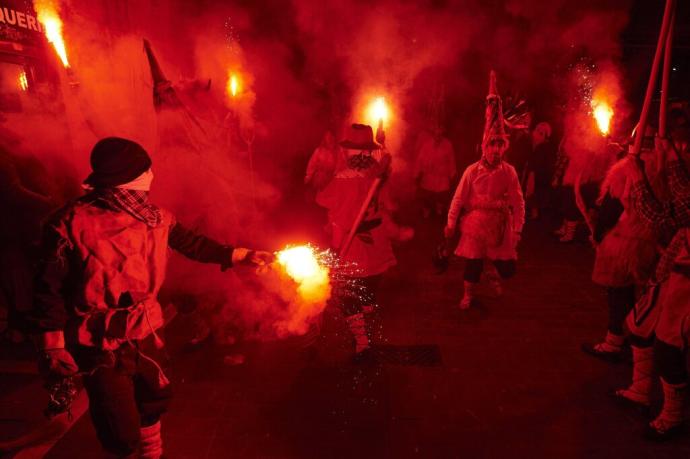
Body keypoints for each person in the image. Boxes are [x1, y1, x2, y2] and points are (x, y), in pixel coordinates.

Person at [26, 137, 273, 458]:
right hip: (98, 342)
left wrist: (243, 255)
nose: (152, 176)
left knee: (152, 401)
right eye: (146, 170)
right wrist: (53, 345)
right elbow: (48, 288)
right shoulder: (68, 224)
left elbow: (195, 244)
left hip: (145, 333)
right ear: (129, 176)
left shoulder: (156, 218)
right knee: (119, 425)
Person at [615, 117, 690, 440]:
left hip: (686, 277)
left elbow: (668, 216)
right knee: (640, 325)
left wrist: (644, 175)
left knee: (669, 347)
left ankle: (673, 415)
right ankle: (639, 389)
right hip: (675, 266)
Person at [317, 124, 411, 359]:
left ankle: (362, 343)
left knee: (349, 295)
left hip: (356, 244)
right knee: (366, 289)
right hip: (375, 243)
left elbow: (335, 216)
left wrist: (336, 249)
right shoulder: (378, 175)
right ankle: (364, 326)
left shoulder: (346, 180)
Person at [445, 71, 525, 309]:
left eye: (500, 145)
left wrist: (518, 228)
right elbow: (458, 198)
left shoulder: (508, 171)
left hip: (500, 223)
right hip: (476, 222)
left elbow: (519, 202)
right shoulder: (472, 170)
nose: (496, 150)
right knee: (473, 262)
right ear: (484, 147)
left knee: (508, 269)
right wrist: (450, 224)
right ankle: (468, 294)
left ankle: (493, 270)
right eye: (492, 145)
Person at [413, 125, 457, 218]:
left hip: (442, 177)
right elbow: (420, 160)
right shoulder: (427, 144)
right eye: (436, 133)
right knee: (427, 196)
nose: (438, 136)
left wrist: (452, 174)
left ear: (442, 133)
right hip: (429, 176)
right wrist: (416, 173)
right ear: (433, 134)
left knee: (441, 197)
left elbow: (451, 160)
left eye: (440, 133)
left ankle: (439, 210)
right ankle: (427, 210)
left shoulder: (448, 145)